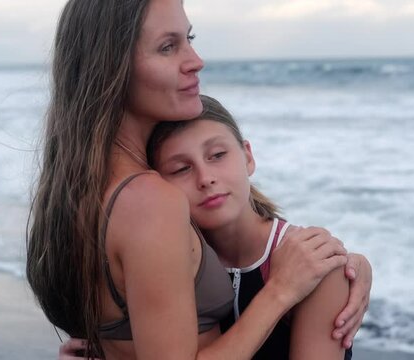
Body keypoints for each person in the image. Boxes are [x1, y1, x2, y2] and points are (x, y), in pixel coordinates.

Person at [27, 0, 371, 359]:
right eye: (168, 46)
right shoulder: (149, 201)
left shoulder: (78, 193)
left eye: (188, 38)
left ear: (246, 155)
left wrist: (347, 266)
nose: (195, 60)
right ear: (111, 66)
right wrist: (281, 290)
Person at [147, 94, 356, 359]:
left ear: (248, 157)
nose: (205, 178)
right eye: (180, 169)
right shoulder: (166, 266)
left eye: (218, 155)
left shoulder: (314, 260)